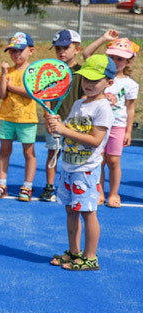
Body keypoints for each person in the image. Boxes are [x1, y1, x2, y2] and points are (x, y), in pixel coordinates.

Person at [45, 55, 115, 272]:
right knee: (71, 211)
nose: (89, 84)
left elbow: (95, 140)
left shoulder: (103, 108)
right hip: (68, 167)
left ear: (109, 83)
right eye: (85, 79)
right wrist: (55, 126)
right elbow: (68, 132)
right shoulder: (78, 103)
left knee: (88, 212)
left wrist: (65, 130)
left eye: (95, 80)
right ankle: (74, 252)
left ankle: (90, 257)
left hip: (86, 170)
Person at [81, 33, 137, 208]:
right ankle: (99, 191)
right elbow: (86, 54)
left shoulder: (131, 84)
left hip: (117, 126)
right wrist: (104, 39)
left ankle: (114, 193)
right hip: (98, 124)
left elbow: (130, 108)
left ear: (128, 62)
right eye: (111, 56)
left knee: (113, 160)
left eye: (120, 59)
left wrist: (128, 131)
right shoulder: (101, 74)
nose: (115, 61)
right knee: (99, 159)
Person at [0, 32, 39, 201]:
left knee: (29, 153)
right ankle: (1, 184)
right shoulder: (9, 71)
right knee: (4, 151)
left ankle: (27, 186)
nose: (16, 54)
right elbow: (1, 94)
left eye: (20, 50)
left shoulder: (33, 71)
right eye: (12, 51)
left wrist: (12, 88)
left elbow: (32, 93)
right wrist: (4, 75)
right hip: (7, 117)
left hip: (27, 119)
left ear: (31, 51)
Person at [40, 29, 83, 202]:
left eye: (66, 47)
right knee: (53, 153)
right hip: (55, 120)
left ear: (77, 49)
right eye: (58, 48)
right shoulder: (51, 71)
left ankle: (73, 185)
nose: (61, 52)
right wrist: (48, 117)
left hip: (75, 122)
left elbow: (85, 97)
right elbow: (46, 96)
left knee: (75, 155)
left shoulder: (82, 73)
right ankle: (49, 187)